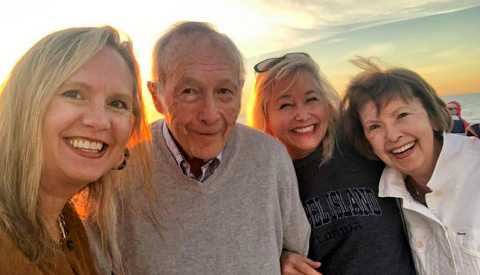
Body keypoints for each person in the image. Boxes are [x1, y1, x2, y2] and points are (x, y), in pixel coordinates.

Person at [116, 21, 310, 275]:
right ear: (156, 96)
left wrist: (283, 258)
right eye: (189, 91)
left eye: (224, 92)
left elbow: (295, 248)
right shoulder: (121, 168)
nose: (210, 114)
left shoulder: (270, 157)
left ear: (240, 92)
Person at [0, 26, 150, 274]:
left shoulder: (65, 224)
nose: (100, 121)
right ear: (25, 104)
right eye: (75, 94)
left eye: (117, 103)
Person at [249, 52, 416, 275]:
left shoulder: (360, 144)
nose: (302, 114)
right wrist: (279, 259)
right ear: (266, 117)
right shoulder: (267, 182)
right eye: (285, 105)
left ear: (326, 104)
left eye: (311, 99)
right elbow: (249, 247)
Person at [341, 57, 480, 274]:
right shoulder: (385, 197)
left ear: (433, 116)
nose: (393, 136)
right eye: (375, 126)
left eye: (402, 115)